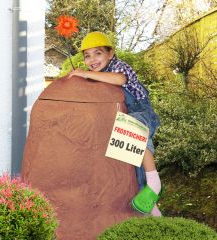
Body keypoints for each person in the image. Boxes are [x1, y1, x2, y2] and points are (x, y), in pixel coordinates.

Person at [68, 31, 162, 217]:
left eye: (98, 53)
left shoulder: (119, 66)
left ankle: (154, 181)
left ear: (110, 54)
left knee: (132, 130)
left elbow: (119, 79)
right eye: (87, 56)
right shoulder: (98, 75)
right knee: (133, 163)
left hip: (141, 112)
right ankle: (151, 206)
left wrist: (85, 73)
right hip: (124, 119)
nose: (92, 59)